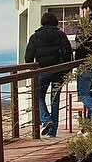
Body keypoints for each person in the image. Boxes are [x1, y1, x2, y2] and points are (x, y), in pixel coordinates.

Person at [24, 9, 72, 137]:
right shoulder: (61, 35)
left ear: (42, 22)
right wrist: (67, 70)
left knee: (38, 96)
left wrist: (34, 68)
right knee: (55, 100)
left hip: (42, 72)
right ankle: (52, 132)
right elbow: (68, 53)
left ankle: (46, 119)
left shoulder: (35, 37)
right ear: (55, 22)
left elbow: (28, 58)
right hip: (59, 72)